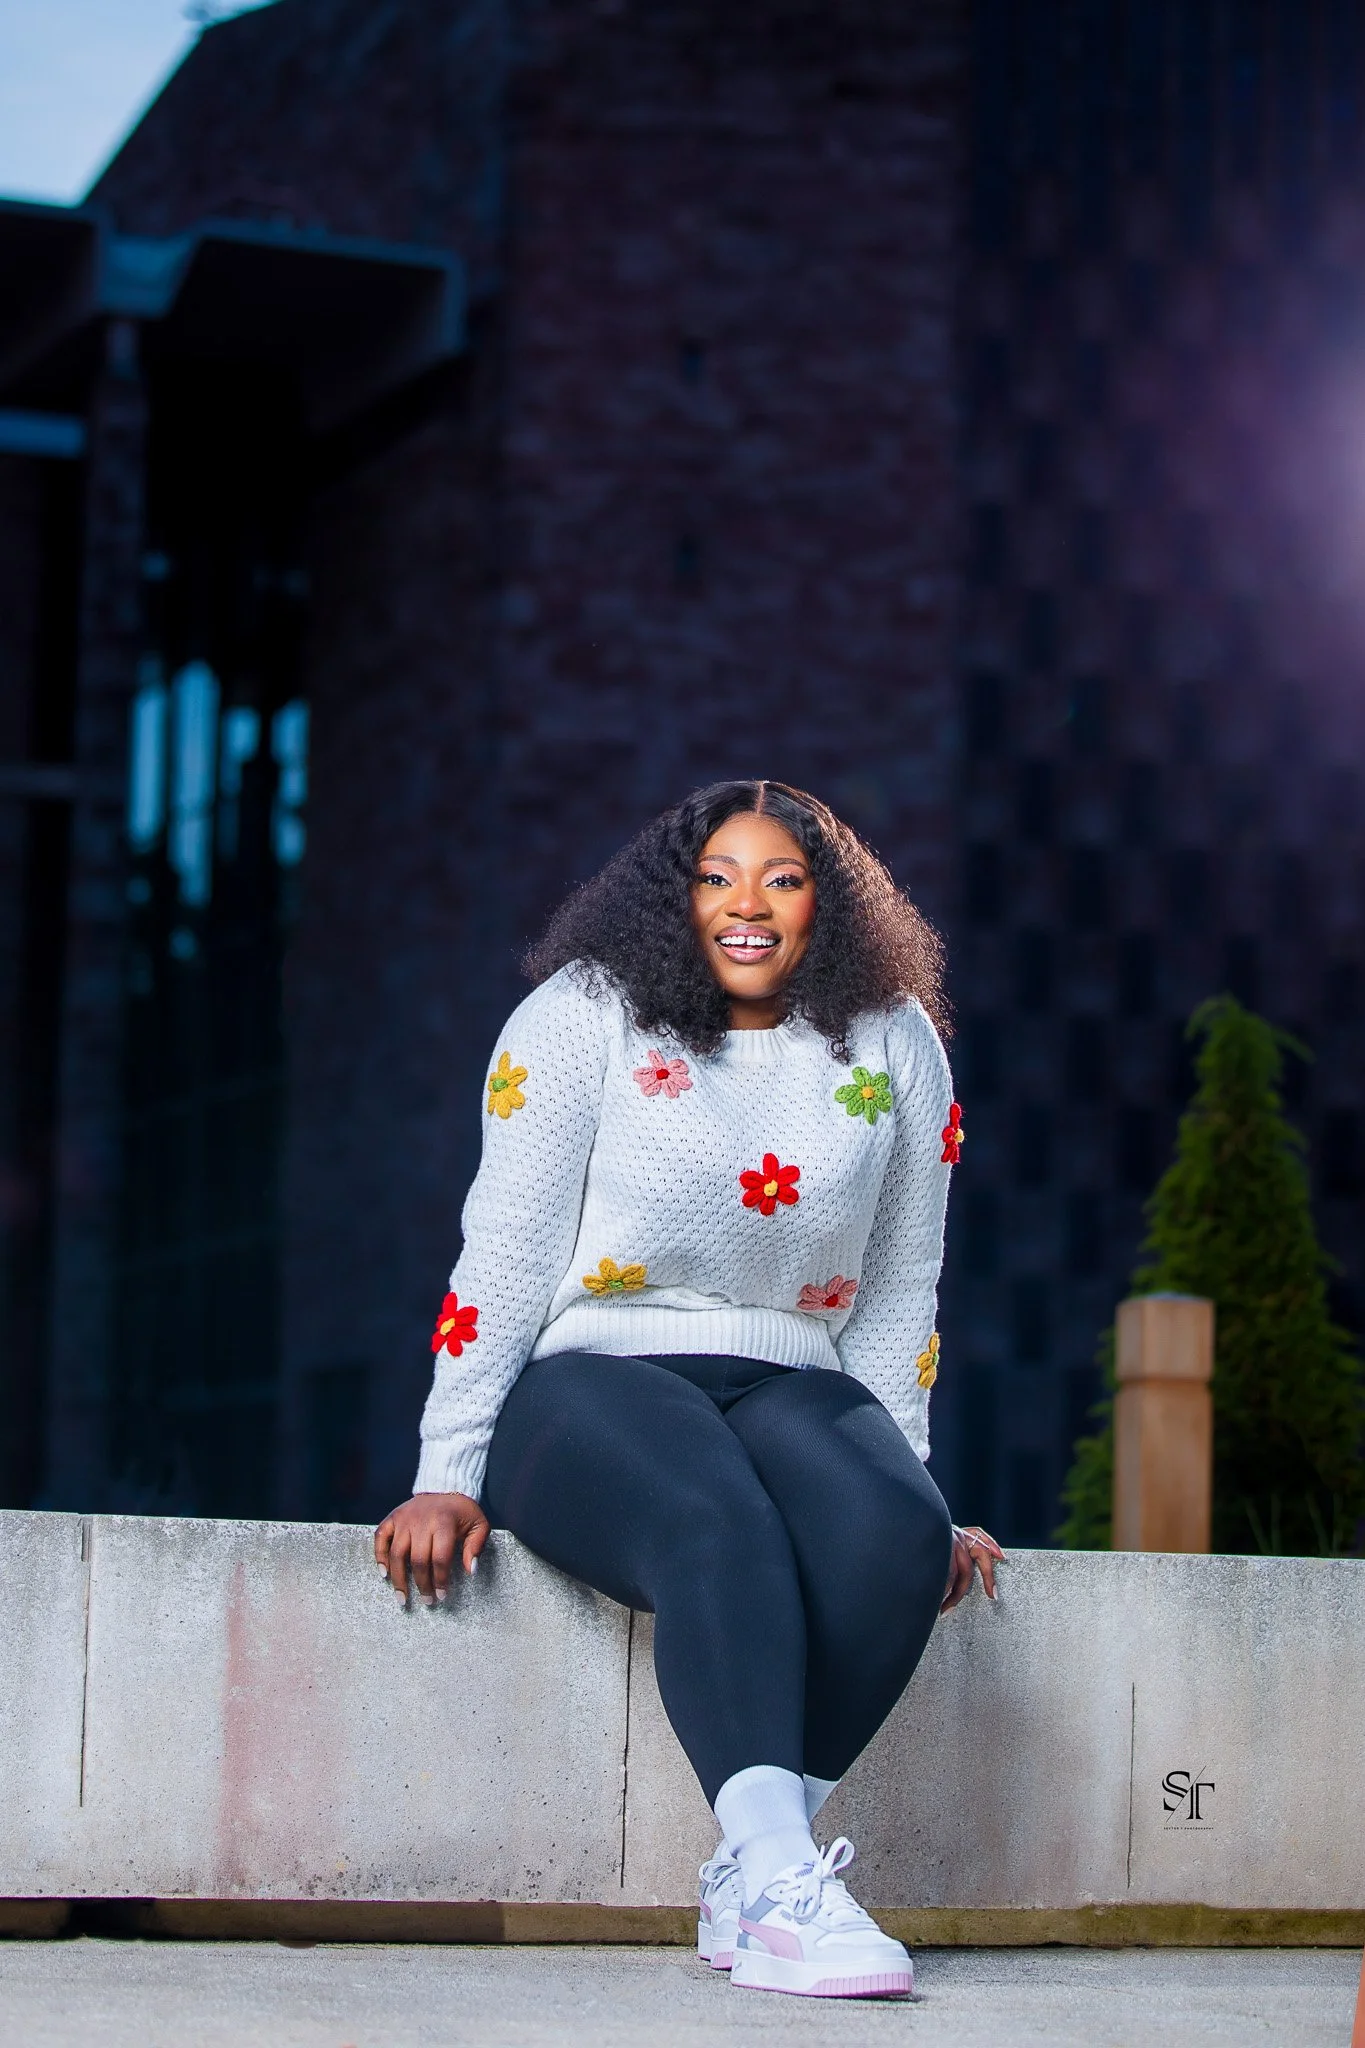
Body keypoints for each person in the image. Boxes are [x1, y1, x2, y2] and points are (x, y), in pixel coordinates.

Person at [375, 778, 1003, 2001]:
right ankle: (780, 1882)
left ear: (832, 902)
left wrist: (915, 1483)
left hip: (791, 1370)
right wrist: (445, 1470)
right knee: (715, 1514)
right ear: (676, 895)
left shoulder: (891, 1039)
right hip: (591, 1377)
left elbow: (899, 1286)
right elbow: (501, 1248)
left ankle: (758, 1863)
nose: (747, 905)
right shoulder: (583, 1014)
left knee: (892, 1534)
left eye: (783, 876)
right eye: (717, 876)